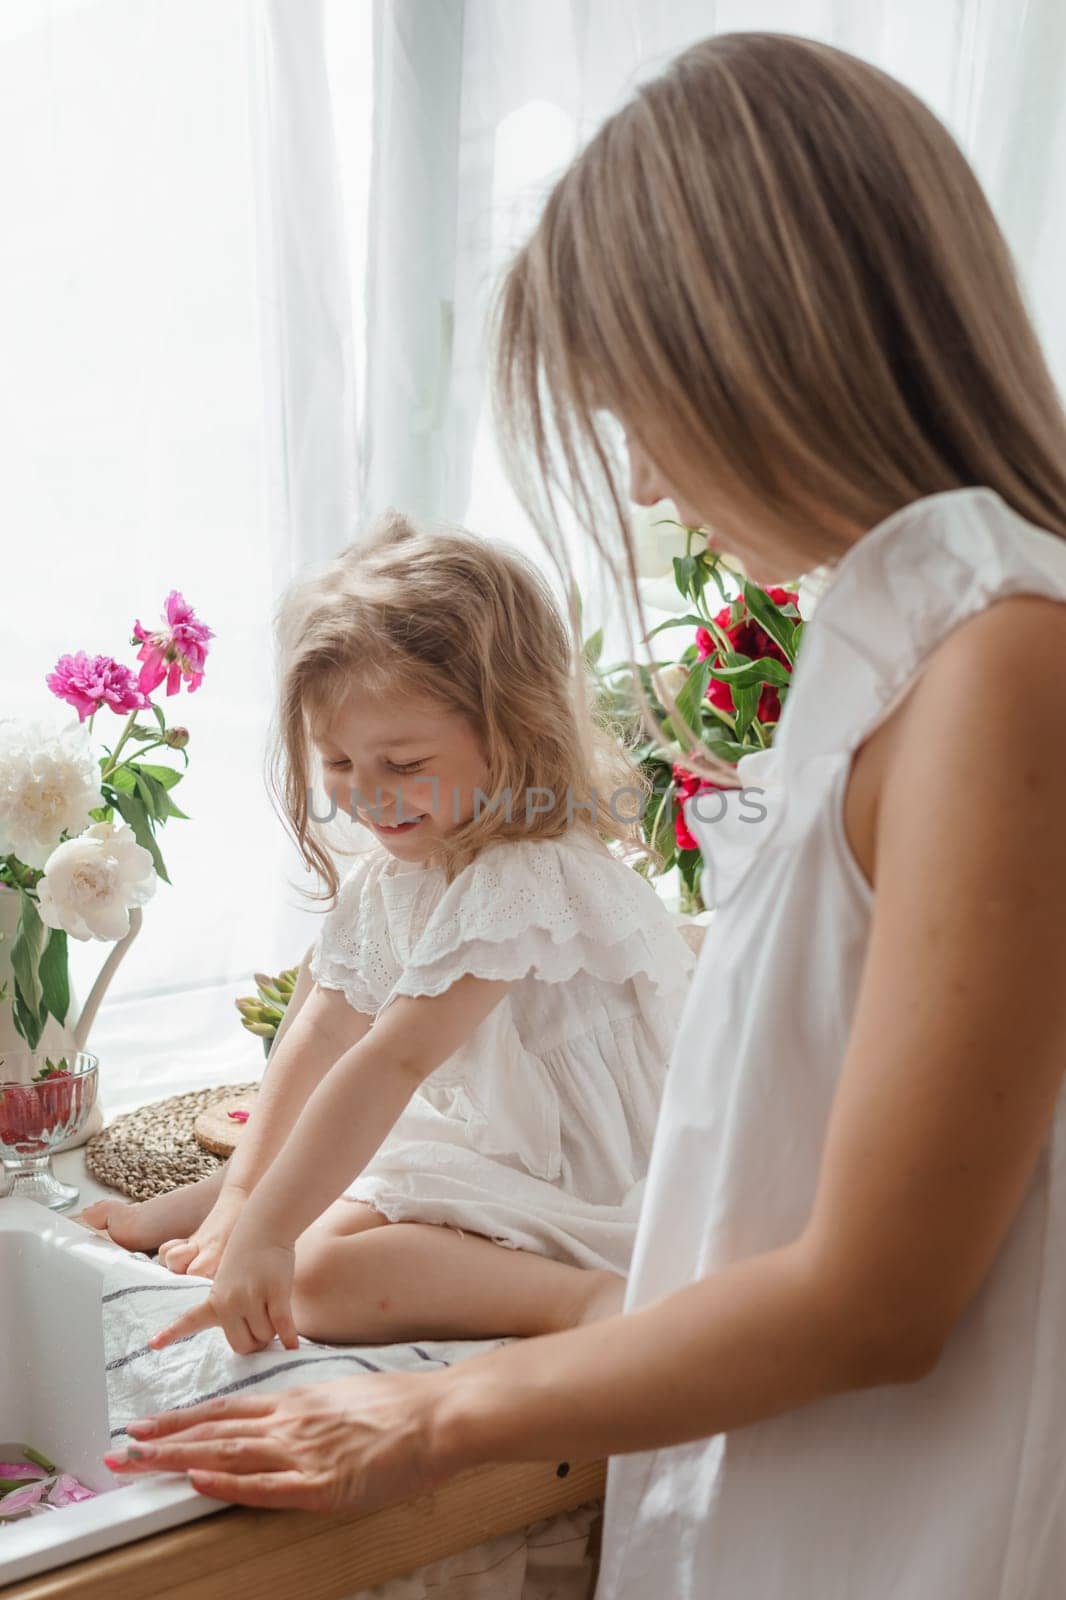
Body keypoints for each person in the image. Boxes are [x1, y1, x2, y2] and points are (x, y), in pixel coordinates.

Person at [102, 31, 1066, 1599]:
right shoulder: (923, 647)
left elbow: (880, 1295)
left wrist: (424, 1419)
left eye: (640, 409)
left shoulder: (1006, 655)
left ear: (767, 352)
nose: (641, 488)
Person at [85, 514, 695, 1353]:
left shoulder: (527, 874)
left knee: (310, 1278)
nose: (366, 799)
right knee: (299, 1200)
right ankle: (232, 1190)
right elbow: (322, 1030)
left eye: (402, 765)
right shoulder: (401, 869)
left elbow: (392, 1057)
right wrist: (244, 1209)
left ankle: (586, 1299)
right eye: (337, 765)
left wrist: (266, 1238)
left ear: (512, 731)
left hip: (592, 1169)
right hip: (499, 1135)